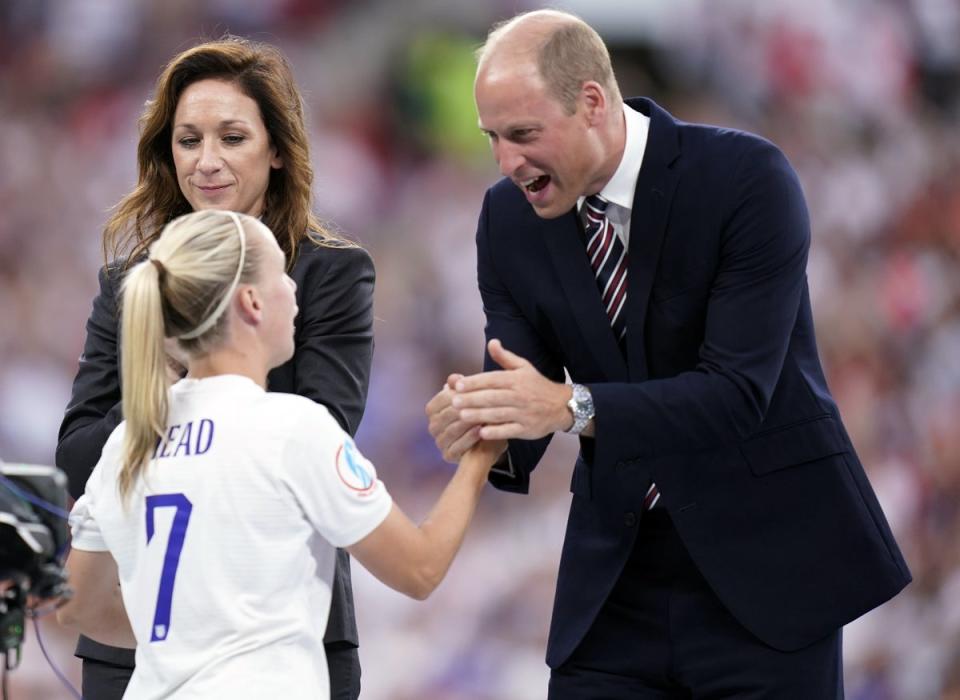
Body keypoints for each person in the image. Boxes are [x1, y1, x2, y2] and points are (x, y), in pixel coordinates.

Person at [426, 9, 912, 699]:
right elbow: (521, 387)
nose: (507, 163)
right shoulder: (508, 220)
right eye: (494, 139)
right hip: (617, 581)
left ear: (592, 102)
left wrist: (569, 405)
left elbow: (737, 394)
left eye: (524, 135)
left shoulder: (745, 179)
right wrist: (480, 421)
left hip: (767, 576)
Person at [56, 209, 503, 699]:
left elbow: (78, 605)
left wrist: (189, 639)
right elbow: (419, 570)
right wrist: (479, 458)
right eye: (281, 278)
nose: (293, 292)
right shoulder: (292, 428)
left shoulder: (126, 441)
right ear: (251, 302)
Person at [56, 37, 374, 699]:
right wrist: (170, 374)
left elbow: (326, 435)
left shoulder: (327, 274)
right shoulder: (132, 284)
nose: (206, 162)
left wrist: (204, 370)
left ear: (278, 149)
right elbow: (78, 458)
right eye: (187, 140)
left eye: (232, 137)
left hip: (286, 640)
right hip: (136, 633)